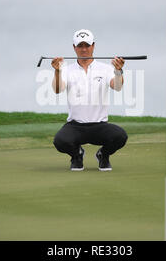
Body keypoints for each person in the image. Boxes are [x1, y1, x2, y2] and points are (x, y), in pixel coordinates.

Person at [51, 29, 128, 171]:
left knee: (120, 136)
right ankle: (77, 155)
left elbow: (117, 87)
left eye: (87, 45)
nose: (84, 49)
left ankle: (103, 155)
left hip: (100, 125)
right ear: (74, 48)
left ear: (93, 46)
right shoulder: (66, 70)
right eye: (80, 46)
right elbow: (57, 89)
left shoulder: (105, 69)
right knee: (60, 141)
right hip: (76, 126)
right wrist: (57, 71)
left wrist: (118, 71)